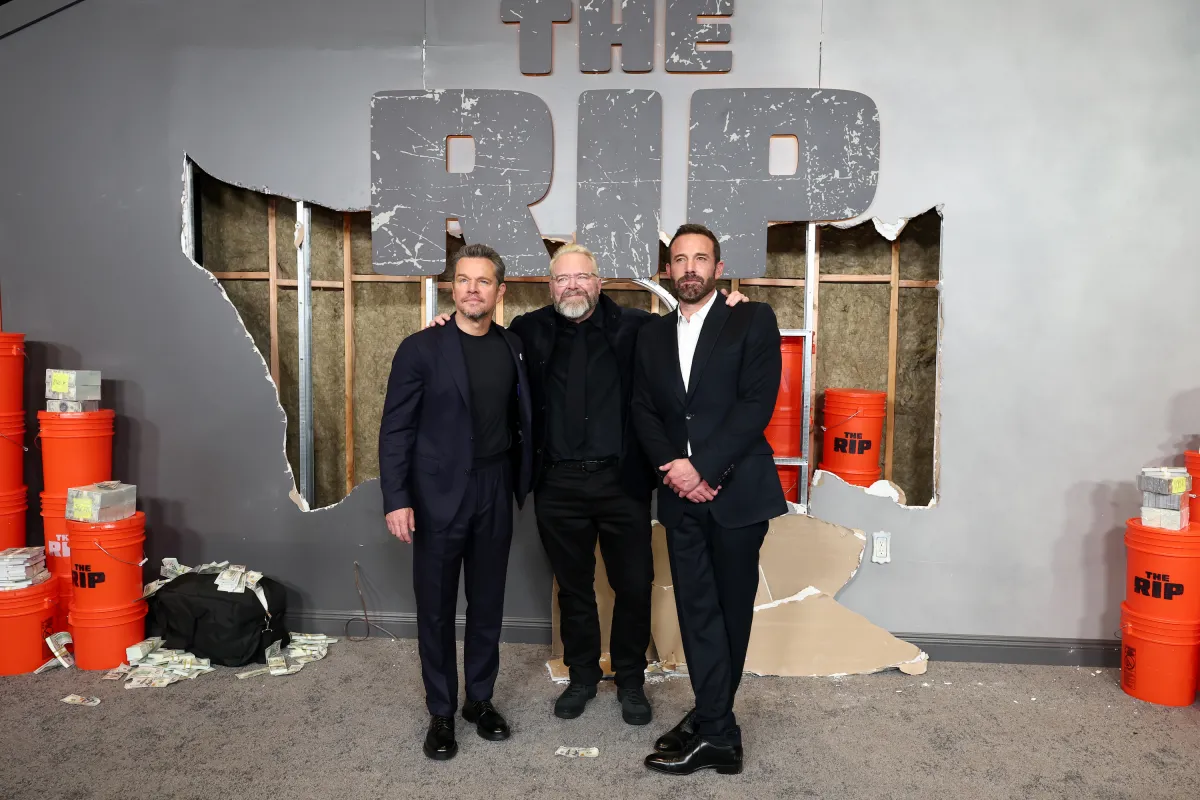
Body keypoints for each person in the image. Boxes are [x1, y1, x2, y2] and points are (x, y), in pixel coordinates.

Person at [428, 244, 747, 727]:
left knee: (633, 585)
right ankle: (581, 676)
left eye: (581, 277)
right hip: (556, 483)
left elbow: (693, 330)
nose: (572, 286)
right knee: (573, 588)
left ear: (599, 282)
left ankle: (631, 679)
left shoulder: (640, 328)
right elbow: (477, 338)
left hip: (622, 481)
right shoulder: (527, 331)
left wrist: (729, 306)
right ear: (550, 286)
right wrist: (443, 327)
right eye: (562, 279)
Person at [630, 223, 787, 776]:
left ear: (718, 269)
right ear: (668, 270)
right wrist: (676, 470)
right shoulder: (651, 334)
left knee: (729, 613)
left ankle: (717, 729)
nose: (690, 267)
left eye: (701, 258)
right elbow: (643, 409)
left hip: (737, 492)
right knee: (696, 612)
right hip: (680, 496)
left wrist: (703, 467)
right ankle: (715, 720)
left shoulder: (753, 319)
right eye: (680, 259)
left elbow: (756, 404)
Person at [378, 243, 533, 762]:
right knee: (437, 608)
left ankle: (479, 700)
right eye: (463, 279)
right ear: (451, 288)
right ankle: (441, 711)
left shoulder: (513, 346)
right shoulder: (420, 348)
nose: (472, 289)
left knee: (488, 603)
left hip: (495, 487)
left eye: (483, 281)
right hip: (436, 496)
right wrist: (397, 499)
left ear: (499, 291)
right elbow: (396, 429)